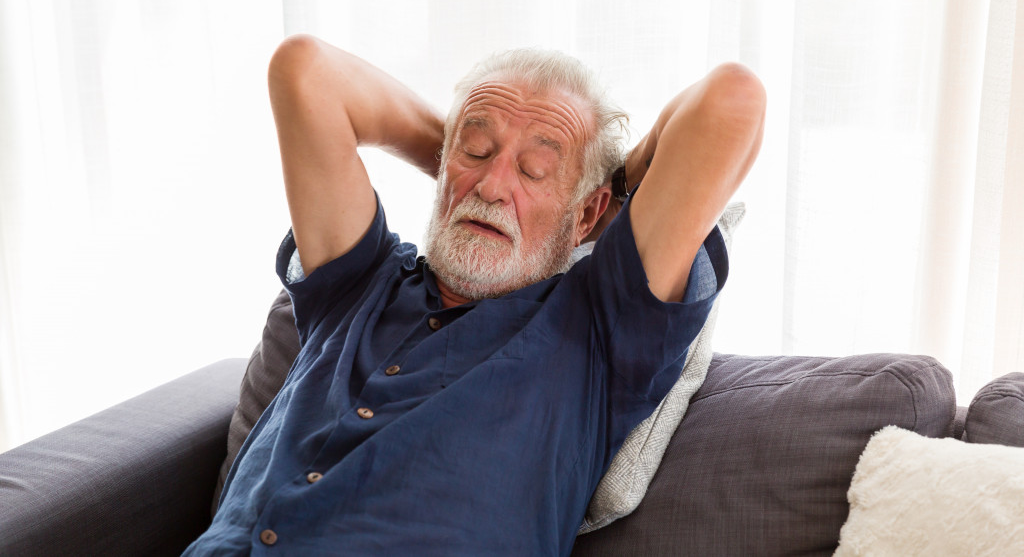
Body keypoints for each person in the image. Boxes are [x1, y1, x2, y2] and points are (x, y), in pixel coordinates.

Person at [184, 36, 765, 556]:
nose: (490, 187)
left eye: (535, 171)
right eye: (477, 153)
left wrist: (613, 188)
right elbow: (305, 71)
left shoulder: (598, 329)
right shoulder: (358, 280)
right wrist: (451, 153)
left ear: (587, 213)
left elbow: (732, 102)